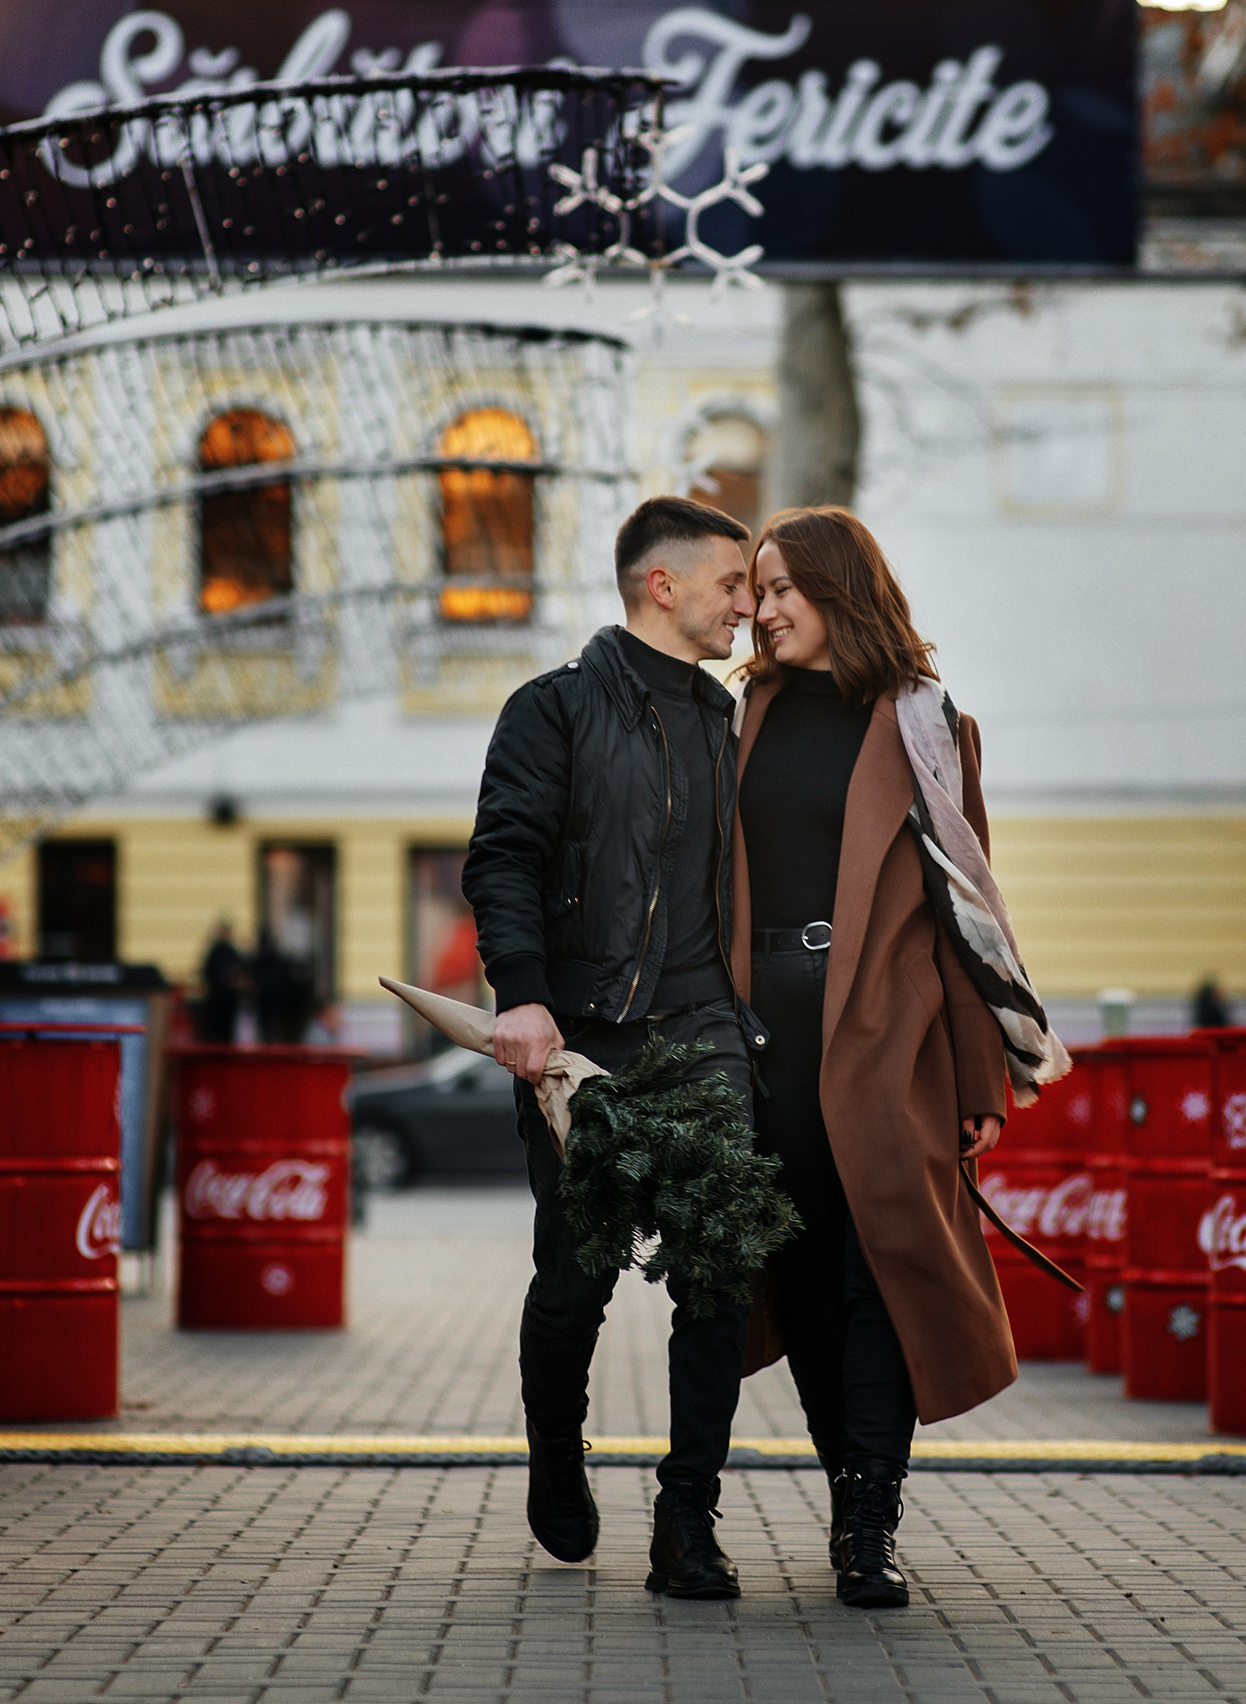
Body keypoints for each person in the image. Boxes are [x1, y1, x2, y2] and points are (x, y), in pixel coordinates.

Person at [733, 506, 1068, 1608]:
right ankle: (846, 1483)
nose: (764, 610)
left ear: (841, 590)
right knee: (802, 1279)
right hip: (763, 1032)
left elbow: (964, 910)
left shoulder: (929, 725)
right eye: (758, 589)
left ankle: (867, 1519)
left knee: (879, 1271)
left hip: (887, 1029)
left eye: (782, 588)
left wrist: (979, 1080)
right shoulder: (742, 714)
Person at [462, 494, 760, 1598]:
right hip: (582, 1036)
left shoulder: (737, 722)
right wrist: (524, 998)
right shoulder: (553, 710)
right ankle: (555, 1447)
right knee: (573, 1282)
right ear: (662, 585)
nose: (747, 605)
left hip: (705, 1035)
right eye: (732, 583)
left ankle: (688, 1519)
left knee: (720, 1277)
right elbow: (501, 861)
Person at [197, 920, 245, 1044]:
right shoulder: (220, 951)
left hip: (225, 999)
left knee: (225, 1032)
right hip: (218, 998)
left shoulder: (227, 951)